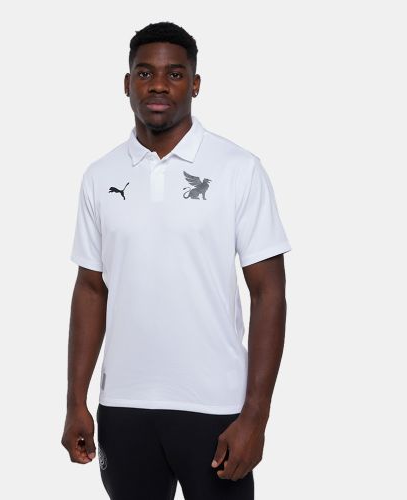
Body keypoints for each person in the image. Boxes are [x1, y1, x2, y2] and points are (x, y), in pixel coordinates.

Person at [61, 21, 292, 500]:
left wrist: (256, 416)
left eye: (175, 74)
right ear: (127, 83)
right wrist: (75, 400)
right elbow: (91, 288)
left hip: (216, 409)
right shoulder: (100, 175)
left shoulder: (238, 169)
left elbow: (268, 292)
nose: (159, 85)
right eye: (145, 73)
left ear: (195, 84)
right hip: (123, 407)